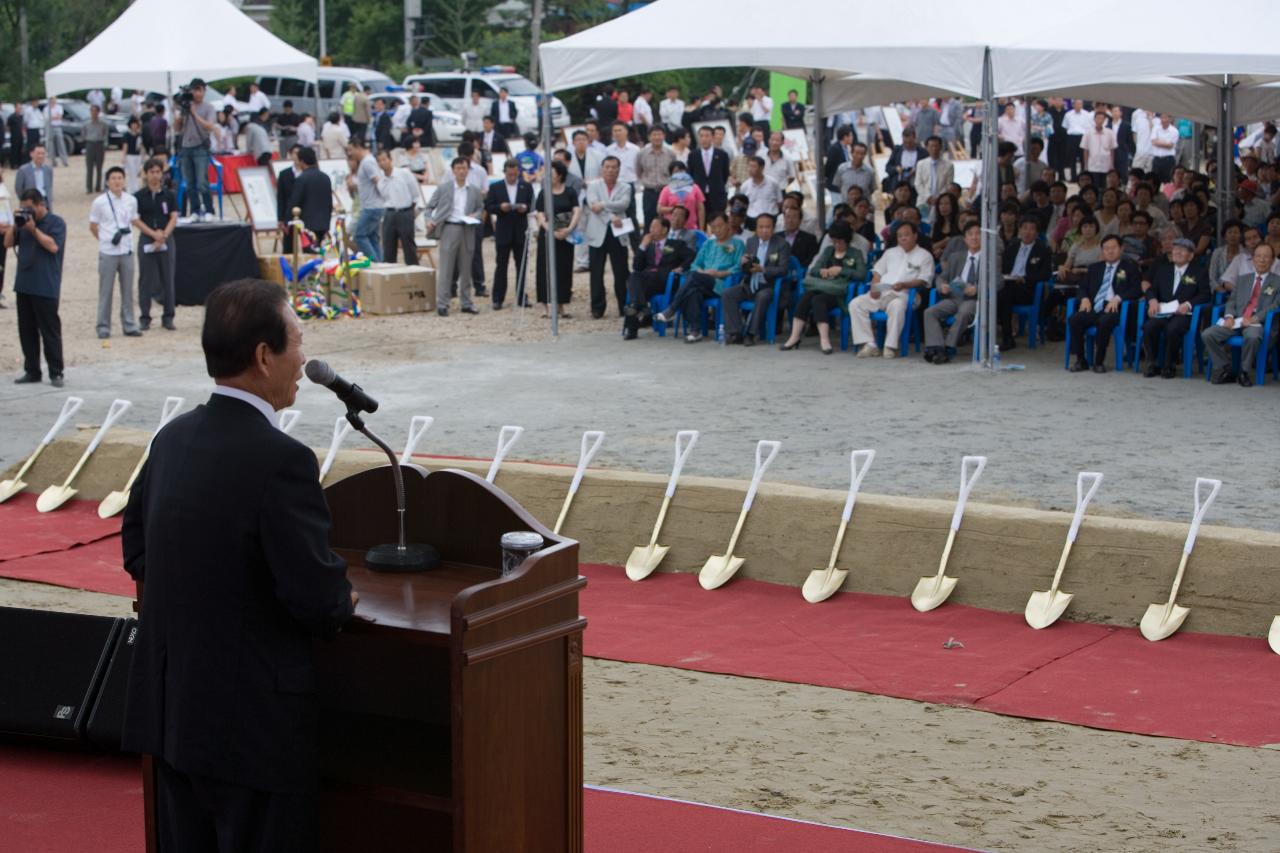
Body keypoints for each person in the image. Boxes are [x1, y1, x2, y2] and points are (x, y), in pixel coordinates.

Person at [121, 278, 355, 853]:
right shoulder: (282, 461)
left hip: (176, 718)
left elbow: (137, 550)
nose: (303, 359)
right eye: (298, 342)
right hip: (253, 732)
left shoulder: (171, 440)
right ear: (263, 356)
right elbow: (318, 601)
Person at [778, 221, 866, 354]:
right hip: (822, 286)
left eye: (839, 242)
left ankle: (824, 340)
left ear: (847, 240)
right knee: (806, 298)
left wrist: (841, 270)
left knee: (818, 300)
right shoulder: (828, 251)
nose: (836, 245)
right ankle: (794, 337)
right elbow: (814, 269)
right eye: (834, 241)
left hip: (838, 293)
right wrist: (822, 271)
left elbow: (861, 274)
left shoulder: (855, 253)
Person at [6, 188, 65, 385]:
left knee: (50, 331)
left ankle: (56, 372)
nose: (27, 212)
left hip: (46, 285)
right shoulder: (22, 224)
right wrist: (16, 226)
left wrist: (33, 229)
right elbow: (7, 243)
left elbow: (53, 246)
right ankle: (32, 370)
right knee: (26, 330)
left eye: (29, 208)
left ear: (41, 204)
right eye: (23, 208)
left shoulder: (56, 223)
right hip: (24, 285)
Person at [654, 212, 743, 343]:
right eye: (714, 227)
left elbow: (738, 268)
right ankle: (695, 331)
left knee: (693, 278)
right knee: (692, 289)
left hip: (722, 284)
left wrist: (719, 274)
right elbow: (695, 264)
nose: (717, 230)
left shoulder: (737, 244)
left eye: (720, 226)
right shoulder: (708, 244)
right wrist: (703, 271)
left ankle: (672, 310)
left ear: (727, 224)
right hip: (702, 281)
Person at [1202, 242, 1280, 386]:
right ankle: (1227, 368)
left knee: (1252, 336)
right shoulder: (1244, 278)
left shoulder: (1277, 281)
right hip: (1237, 320)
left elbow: (1276, 305)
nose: (1262, 260)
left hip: (1258, 322)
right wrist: (1229, 316)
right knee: (1208, 334)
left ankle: (1244, 372)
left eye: (1266, 257)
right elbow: (1231, 301)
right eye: (1258, 256)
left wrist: (1254, 318)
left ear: (1273, 260)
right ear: (1253, 259)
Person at [851, 221, 932, 357]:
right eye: (900, 236)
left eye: (906, 235)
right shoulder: (890, 253)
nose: (903, 238)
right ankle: (869, 344)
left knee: (897, 305)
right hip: (883, 292)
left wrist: (905, 285)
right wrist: (875, 287)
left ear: (915, 236)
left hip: (905, 294)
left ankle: (890, 346)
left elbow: (924, 281)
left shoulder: (924, 256)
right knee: (855, 304)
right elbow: (877, 272)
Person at [1068, 234, 1143, 373]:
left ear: (1121, 249)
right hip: (1094, 306)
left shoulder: (1130, 268)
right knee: (1074, 319)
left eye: (1113, 247)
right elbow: (1083, 287)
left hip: (1114, 308)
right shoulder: (1095, 268)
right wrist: (1084, 298)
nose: (1110, 251)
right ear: (1102, 250)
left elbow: (1137, 290)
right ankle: (1081, 360)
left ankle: (1099, 361)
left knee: (1104, 321)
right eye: (1106, 248)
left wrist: (1119, 298)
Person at [1141, 238, 1210, 378]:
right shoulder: (1163, 270)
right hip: (1164, 312)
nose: (1177, 252)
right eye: (1175, 249)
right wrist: (1153, 300)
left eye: (1182, 250)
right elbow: (1151, 289)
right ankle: (1152, 363)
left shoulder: (1199, 272)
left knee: (1173, 329)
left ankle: (1169, 365)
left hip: (1183, 314)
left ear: (1190, 256)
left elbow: (1205, 295)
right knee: (1149, 326)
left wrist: (1188, 304)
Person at [425, 157, 484, 316]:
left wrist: (475, 215)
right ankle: (443, 304)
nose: (461, 171)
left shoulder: (474, 190)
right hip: (449, 228)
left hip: (467, 229)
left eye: (464, 168)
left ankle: (466, 302)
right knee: (446, 269)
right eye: (458, 168)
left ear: (468, 170)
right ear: (453, 170)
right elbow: (429, 207)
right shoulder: (444, 188)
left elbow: (480, 208)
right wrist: (429, 220)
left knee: (466, 269)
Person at [721, 212, 789, 345]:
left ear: (773, 228)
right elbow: (744, 267)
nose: (764, 230)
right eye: (761, 227)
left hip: (769, 286)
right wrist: (743, 262)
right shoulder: (751, 241)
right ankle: (736, 332)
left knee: (762, 296)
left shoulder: (781, 244)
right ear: (756, 229)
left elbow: (783, 269)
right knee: (727, 294)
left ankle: (751, 334)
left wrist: (762, 269)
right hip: (749, 283)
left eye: (767, 227)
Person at [622, 214, 694, 339]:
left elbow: (691, 256)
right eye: (650, 227)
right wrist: (642, 246)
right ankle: (641, 308)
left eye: (654, 227)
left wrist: (681, 267)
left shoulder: (676, 244)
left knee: (636, 285)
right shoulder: (648, 246)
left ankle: (633, 325)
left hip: (665, 281)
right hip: (648, 282)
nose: (651, 230)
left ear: (665, 229)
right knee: (634, 276)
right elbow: (637, 266)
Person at [91, 166, 141, 339]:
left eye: (120, 178)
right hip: (108, 251)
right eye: (113, 178)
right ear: (107, 181)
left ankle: (129, 323)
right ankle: (103, 326)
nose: (117, 181)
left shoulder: (131, 200)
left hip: (127, 249)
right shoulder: (99, 202)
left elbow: (133, 220)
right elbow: (93, 225)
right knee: (106, 290)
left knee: (128, 290)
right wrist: (104, 239)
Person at [923, 220, 983, 364]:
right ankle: (936, 347)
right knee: (929, 312)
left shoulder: (990, 258)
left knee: (963, 312)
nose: (974, 237)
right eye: (970, 234)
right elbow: (941, 277)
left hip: (975, 300)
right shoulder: (956, 257)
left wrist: (977, 289)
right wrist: (942, 285)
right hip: (954, 297)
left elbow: (998, 282)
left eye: (978, 234)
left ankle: (949, 348)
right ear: (965, 239)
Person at [133, 157, 178, 331]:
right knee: (146, 279)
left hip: (166, 238)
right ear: (146, 174)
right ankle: (145, 316)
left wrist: (164, 235)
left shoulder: (169, 195)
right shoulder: (139, 196)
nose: (155, 175)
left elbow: (174, 216)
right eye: (151, 172)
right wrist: (153, 234)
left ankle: (168, 316)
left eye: (158, 172)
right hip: (147, 238)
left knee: (168, 278)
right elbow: (135, 219)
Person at [584, 155, 632, 318]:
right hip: (598, 232)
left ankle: (623, 305)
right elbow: (593, 207)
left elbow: (623, 204)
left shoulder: (625, 186)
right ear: (602, 169)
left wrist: (603, 204)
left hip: (618, 234)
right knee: (596, 273)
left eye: (613, 167)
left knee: (621, 272)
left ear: (619, 170)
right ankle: (597, 308)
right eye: (607, 167)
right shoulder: (593, 186)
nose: (610, 170)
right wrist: (612, 217)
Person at [998, 216, 1053, 350]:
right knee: (1000, 294)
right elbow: (1004, 267)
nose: (1027, 232)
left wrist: (1025, 278)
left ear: (1037, 233)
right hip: (1009, 285)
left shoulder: (1043, 249)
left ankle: (1007, 337)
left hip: (1029, 289)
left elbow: (1046, 274)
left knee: (1002, 295)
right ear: (1020, 230)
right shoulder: (1012, 246)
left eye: (1032, 229)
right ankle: (1005, 334)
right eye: (1025, 228)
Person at [534, 160, 580, 319]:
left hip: (566, 235)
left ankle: (561, 303)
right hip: (548, 235)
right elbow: (540, 215)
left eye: (551, 173)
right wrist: (551, 230)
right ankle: (544, 305)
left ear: (559, 175)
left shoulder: (570, 192)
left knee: (564, 269)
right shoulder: (543, 193)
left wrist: (569, 229)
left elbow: (576, 211)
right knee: (544, 268)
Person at [485, 159, 533, 309]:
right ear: (505, 172)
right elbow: (489, 206)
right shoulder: (496, 187)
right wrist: (500, 207)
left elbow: (533, 204)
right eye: (510, 174)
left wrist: (525, 208)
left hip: (520, 230)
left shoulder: (526, 186)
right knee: (501, 265)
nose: (512, 176)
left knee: (522, 265)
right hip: (503, 230)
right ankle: (498, 298)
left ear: (519, 172)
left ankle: (521, 297)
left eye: (515, 174)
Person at [174, 79, 217, 222]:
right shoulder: (185, 107)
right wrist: (181, 114)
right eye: (194, 90)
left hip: (200, 147)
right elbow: (177, 128)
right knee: (189, 182)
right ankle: (195, 210)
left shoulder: (208, 107)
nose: (196, 93)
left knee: (202, 181)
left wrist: (194, 114)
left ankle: (209, 209)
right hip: (186, 147)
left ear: (204, 91)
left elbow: (209, 126)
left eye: (199, 89)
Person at [376, 148, 420, 267]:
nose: (382, 163)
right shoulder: (381, 181)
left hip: (405, 212)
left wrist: (409, 211)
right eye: (379, 161)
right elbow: (383, 198)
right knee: (388, 247)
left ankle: (414, 274)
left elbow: (415, 194)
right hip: (389, 214)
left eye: (384, 159)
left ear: (390, 160)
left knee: (409, 247)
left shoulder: (404, 173)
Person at [346, 138, 384, 262]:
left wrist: (386, 197)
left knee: (359, 235)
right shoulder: (366, 161)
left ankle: (375, 263)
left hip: (371, 207)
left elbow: (377, 180)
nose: (350, 154)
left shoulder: (367, 162)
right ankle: (381, 265)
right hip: (371, 205)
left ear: (358, 147)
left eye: (351, 150)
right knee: (372, 238)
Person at [286, 147, 333, 248]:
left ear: (302, 161)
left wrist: (288, 220)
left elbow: (295, 202)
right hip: (323, 222)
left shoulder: (301, 179)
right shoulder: (325, 177)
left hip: (308, 224)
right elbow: (329, 202)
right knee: (320, 251)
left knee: (310, 253)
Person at [635, 125, 674, 228]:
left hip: (665, 192)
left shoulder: (670, 154)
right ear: (649, 137)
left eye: (659, 134)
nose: (657, 137)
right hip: (649, 193)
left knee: (667, 222)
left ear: (664, 136)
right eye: (654, 135)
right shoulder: (642, 154)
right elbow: (639, 172)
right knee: (649, 221)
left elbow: (674, 173)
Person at [687, 125, 730, 217]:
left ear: (713, 137)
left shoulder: (722, 155)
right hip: (699, 193)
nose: (704, 139)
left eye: (707, 136)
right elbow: (690, 174)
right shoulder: (693, 155)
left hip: (717, 194)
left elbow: (725, 174)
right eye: (701, 136)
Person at [884, 127, 926, 195]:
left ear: (915, 139)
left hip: (915, 186)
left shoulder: (922, 152)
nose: (907, 145)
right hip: (898, 184)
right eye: (905, 142)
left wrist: (916, 170)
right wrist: (896, 169)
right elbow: (888, 167)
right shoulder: (897, 150)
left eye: (910, 142)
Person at [14, 143, 53, 210]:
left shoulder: (48, 169)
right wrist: (25, 200)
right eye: (38, 153)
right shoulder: (23, 170)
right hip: (30, 202)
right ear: (31, 154)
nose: (41, 156)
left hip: (45, 201)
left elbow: (49, 185)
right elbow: (18, 188)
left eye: (43, 153)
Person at [44, 95, 70, 167]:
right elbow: (47, 118)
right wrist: (54, 117)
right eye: (51, 99)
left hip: (58, 126)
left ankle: (65, 161)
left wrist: (52, 117)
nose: (53, 101)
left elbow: (59, 117)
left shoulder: (59, 107)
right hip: (50, 127)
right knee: (51, 145)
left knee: (61, 144)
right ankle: (53, 161)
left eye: (54, 99)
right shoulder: (46, 108)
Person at [121, 117, 144, 193]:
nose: (134, 126)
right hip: (129, 156)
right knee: (132, 172)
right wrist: (123, 156)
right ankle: (133, 189)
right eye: (133, 124)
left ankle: (132, 188)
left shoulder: (139, 135)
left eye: (136, 124)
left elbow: (140, 146)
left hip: (137, 156)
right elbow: (125, 146)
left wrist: (142, 156)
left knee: (136, 172)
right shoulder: (126, 135)